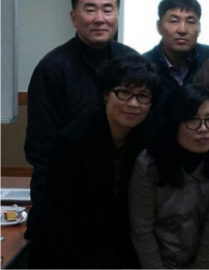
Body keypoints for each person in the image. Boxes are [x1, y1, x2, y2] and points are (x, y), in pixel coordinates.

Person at [25, 0, 138, 243]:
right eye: (90, 9)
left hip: (121, 198)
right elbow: (41, 148)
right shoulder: (52, 68)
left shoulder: (132, 62)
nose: (99, 18)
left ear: (117, 15)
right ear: (74, 17)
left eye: (107, 9)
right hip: (65, 199)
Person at [27, 55, 160, 269]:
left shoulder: (148, 138)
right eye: (124, 92)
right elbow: (58, 216)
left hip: (118, 250)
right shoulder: (72, 141)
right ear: (106, 94)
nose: (133, 103)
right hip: (66, 251)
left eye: (143, 95)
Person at [129, 84, 209, 269]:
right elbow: (142, 230)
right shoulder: (149, 163)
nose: (203, 129)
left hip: (205, 261)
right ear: (174, 123)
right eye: (192, 120)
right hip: (154, 260)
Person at [143, 0, 209, 116]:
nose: (182, 30)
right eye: (174, 21)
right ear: (159, 26)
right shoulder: (144, 65)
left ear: (199, 28)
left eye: (190, 22)